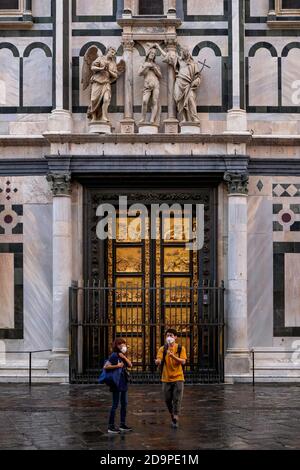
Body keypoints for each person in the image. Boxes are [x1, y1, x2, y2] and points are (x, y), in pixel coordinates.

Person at [155, 43, 201, 123]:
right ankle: (184, 118)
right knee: (179, 100)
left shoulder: (193, 64)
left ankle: (194, 118)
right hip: (179, 83)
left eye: (182, 52)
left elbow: (198, 76)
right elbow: (167, 56)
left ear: (186, 53)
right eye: (181, 52)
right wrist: (159, 47)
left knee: (190, 99)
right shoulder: (179, 60)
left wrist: (196, 81)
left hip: (188, 84)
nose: (181, 53)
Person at [155, 329, 187, 428]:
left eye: (171, 335)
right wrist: (158, 362)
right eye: (167, 335)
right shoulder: (162, 349)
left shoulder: (181, 348)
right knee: (167, 399)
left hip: (178, 377)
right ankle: (172, 414)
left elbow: (183, 362)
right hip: (166, 378)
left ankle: (176, 416)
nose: (169, 337)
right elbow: (159, 359)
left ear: (175, 337)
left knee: (177, 399)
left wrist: (173, 357)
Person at [104, 337, 133, 434]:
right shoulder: (114, 355)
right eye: (122, 344)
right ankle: (111, 426)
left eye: (124, 343)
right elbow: (106, 366)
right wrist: (117, 366)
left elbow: (130, 365)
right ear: (117, 345)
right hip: (116, 382)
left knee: (124, 404)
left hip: (123, 382)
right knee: (115, 404)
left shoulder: (122, 355)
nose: (124, 345)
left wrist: (124, 357)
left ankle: (122, 424)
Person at [138, 45, 162, 125]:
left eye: (154, 54)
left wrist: (155, 69)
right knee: (145, 101)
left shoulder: (156, 65)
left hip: (155, 84)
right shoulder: (144, 64)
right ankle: (143, 118)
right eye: (151, 53)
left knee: (155, 101)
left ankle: (152, 119)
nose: (152, 54)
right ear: (148, 54)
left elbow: (160, 75)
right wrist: (146, 66)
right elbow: (139, 73)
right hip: (147, 85)